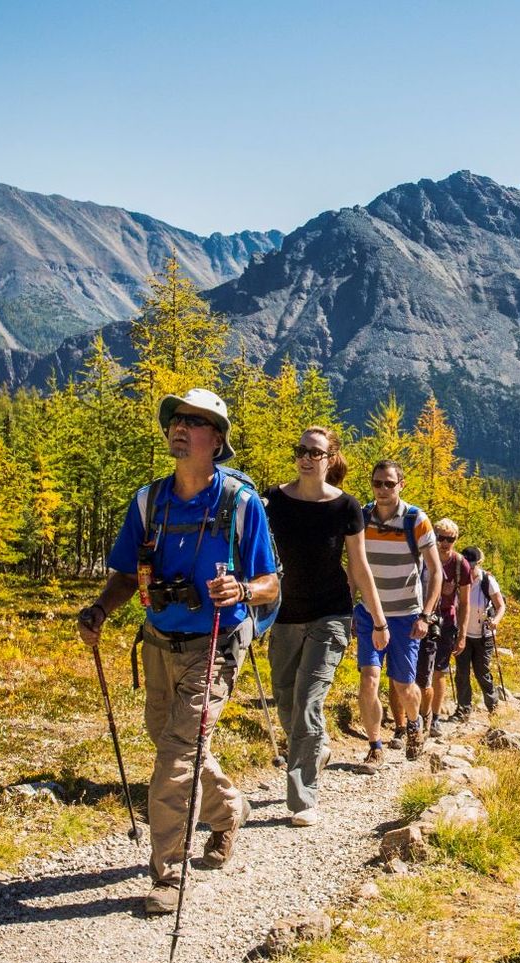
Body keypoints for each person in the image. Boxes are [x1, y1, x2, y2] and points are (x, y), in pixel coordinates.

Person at [76, 387, 279, 917]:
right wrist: (100, 610)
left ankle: (167, 872)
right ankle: (229, 809)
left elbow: (271, 583)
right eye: (176, 421)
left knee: (174, 757)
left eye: (195, 421)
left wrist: (242, 590)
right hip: (159, 643)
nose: (180, 428)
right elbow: (125, 574)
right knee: (174, 743)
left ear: (217, 440)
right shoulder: (149, 501)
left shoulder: (240, 503)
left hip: (215, 644)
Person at [262, 426, 387, 827]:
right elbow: (253, 553)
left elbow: (359, 566)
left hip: (331, 615)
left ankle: (303, 798)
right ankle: (318, 748)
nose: (305, 457)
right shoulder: (273, 501)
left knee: (309, 701)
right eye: (300, 450)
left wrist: (379, 618)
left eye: (315, 452)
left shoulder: (346, 507)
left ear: (330, 458)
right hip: (283, 614)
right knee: (286, 701)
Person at [355, 461, 443, 765]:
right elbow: (354, 564)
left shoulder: (415, 519)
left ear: (401, 485)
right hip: (369, 612)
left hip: (406, 615)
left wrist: (426, 616)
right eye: (377, 483)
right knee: (369, 680)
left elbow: (436, 572)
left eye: (389, 484)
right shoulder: (362, 517)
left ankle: (415, 723)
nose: (382, 489)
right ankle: (375, 745)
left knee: (405, 686)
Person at [417, 517, 472, 737]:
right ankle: (419, 714)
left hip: (446, 623)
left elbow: (465, 602)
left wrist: (463, 634)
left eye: (450, 539)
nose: (445, 543)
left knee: (440, 671)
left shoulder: (460, 564)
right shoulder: (423, 559)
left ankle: (435, 717)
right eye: (441, 538)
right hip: (421, 618)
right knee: (419, 670)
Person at [453, 545, 507, 717]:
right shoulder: (458, 580)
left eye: (472, 565)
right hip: (463, 634)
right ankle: (463, 710)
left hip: (484, 635)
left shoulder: (487, 581)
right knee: (462, 673)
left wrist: (495, 621)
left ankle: (493, 706)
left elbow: (501, 606)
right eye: (466, 565)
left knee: (482, 672)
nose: (469, 568)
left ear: (478, 563)